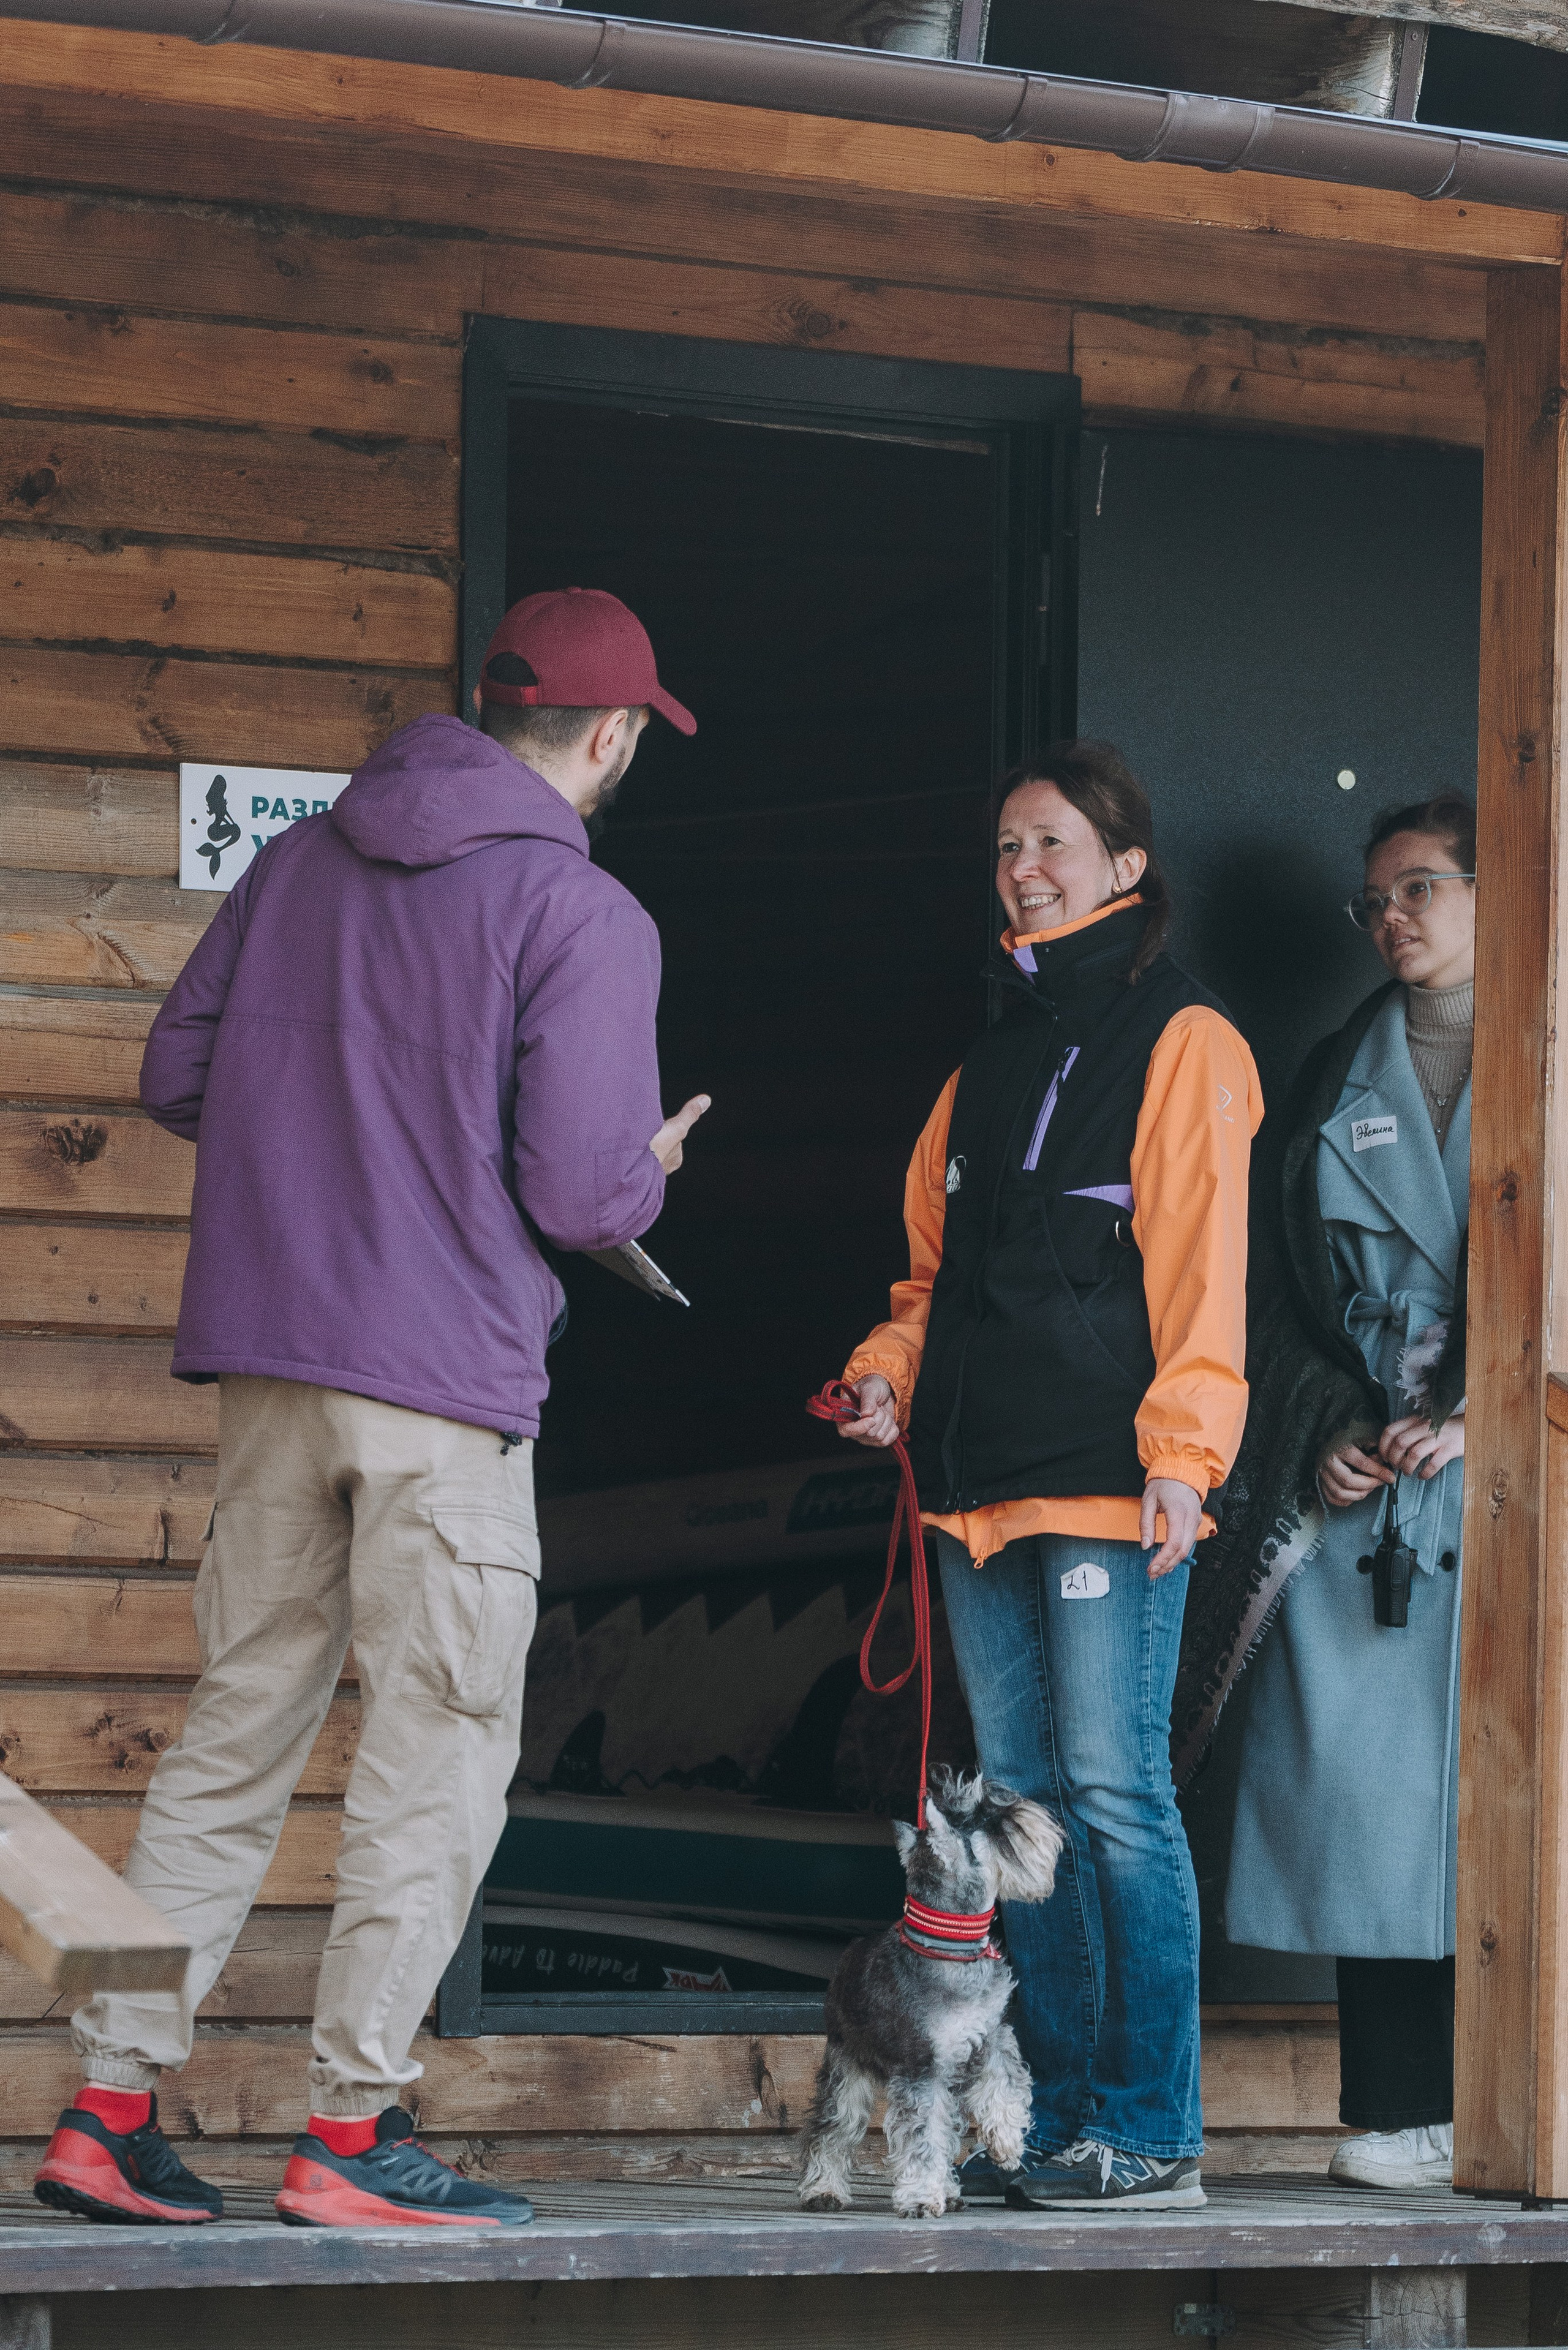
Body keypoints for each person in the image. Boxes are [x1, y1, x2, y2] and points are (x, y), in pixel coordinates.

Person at [34, 588, 709, 2231]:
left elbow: (177, 1076)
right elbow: (572, 1179)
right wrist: (652, 1170)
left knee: (232, 1732)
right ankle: (348, 2131)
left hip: (271, 1362)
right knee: (438, 1749)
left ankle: (110, 2109)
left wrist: (320, 1119)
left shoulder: (299, 861)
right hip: (446, 1382)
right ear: (613, 735)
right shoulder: (582, 909)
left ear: (484, 708)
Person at [836, 741, 1262, 2212]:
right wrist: (885, 1371)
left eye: (1052, 842)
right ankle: (1064, 2115)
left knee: (1114, 1792)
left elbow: (1206, 1276)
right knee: (1021, 1802)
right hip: (968, 1486)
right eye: (1006, 845)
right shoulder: (984, 1057)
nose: (1023, 865)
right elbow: (929, 1277)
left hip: (1106, 1478)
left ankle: (1147, 2125)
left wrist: (1185, 1456)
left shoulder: (1184, 1036)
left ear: (1124, 865)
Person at [1218, 793, 1474, 2193]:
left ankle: (1514, 2103)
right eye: (1372, 897)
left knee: (1507, 1812)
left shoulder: (1551, 1051)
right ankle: (1388, 2110)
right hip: (1373, 1505)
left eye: (1420, 886)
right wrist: (1318, 1423)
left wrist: (1497, 1410)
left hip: (1515, 1508)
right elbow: (1272, 1299)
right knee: (1370, 1808)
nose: (1390, 916)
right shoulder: (1329, 1072)